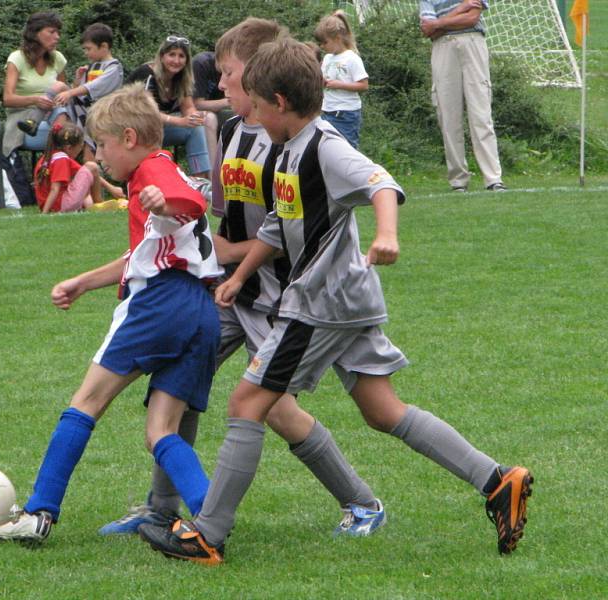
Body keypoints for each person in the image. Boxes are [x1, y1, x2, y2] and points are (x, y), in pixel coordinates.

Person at [138, 37, 532, 565]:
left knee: (247, 404)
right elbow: (282, 223)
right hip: (352, 298)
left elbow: (380, 183)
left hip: (319, 302)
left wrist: (387, 234)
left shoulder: (323, 144)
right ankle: (498, 479)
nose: (252, 113)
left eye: (257, 102)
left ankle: (207, 533)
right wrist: (241, 276)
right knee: (382, 410)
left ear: (279, 101)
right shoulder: (290, 148)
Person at [98, 17, 387, 540]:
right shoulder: (231, 129)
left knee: (271, 408)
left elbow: (284, 226)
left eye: (228, 73)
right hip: (228, 287)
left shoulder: (288, 140)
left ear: (258, 79)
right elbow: (225, 216)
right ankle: (161, 508)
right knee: (179, 379)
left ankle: (361, 501)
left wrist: (224, 253)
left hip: (275, 293)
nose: (220, 83)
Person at [0, 83, 223, 544]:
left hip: (160, 305)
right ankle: (209, 526)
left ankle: (39, 513)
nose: (100, 155)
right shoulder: (157, 170)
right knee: (160, 431)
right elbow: (144, 254)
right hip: (200, 311)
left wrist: (166, 201)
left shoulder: (152, 172)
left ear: (131, 138)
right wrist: (83, 282)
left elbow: (191, 201)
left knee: (86, 403)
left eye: (104, 145)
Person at [419, 0, 507, 192]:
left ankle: (493, 179)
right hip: (442, 47)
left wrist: (439, 23)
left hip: (473, 42)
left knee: (480, 114)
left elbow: (472, 18)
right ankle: (458, 180)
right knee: (448, 116)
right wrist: (459, 10)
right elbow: (427, 30)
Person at [22, 23, 124, 162]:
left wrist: (70, 92)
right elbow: (81, 90)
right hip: (84, 108)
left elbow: (94, 87)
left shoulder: (114, 68)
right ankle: (33, 121)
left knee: (89, 154)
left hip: (100, 112)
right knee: (59, 86)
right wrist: (76, 81)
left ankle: (76, 168)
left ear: (104, 46)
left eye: (89, 49)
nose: (86, 53)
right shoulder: (93, 66)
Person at [127, 36, 211, 179]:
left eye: (181, 56)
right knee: (153, 129)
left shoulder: (180, 78)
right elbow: (147, 112)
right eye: (172, 55)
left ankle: (200, 180)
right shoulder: (147, 74)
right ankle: (154, 180)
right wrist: (180, 121)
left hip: (158, 129)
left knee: (196, 128)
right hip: (133, 129)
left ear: (187, 60)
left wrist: (194, 117)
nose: (176, 61)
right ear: (162, 56)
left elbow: (188, 107)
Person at [2, 11, 72, 156]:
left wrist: (78, 81)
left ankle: (57, 164)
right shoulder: (17, 58)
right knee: (63, 121)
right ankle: (56, 164)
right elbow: (8, 99)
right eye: (52, 32)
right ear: (35, 33)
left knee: (61, 110)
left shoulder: (57, 58)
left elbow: (64, 96)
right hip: (23, 113)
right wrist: (35, 100)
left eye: (58, 32)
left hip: (52, 112)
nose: (57, 37)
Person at [314, 12, 369, 149]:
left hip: (346, 114)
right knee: (326, 148)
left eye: (325, 42)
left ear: (337, 38)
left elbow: (363, 85)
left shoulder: (352, 58)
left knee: (347, 149)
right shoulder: (327, 58)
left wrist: (340, 85)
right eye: (320, 43)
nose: (322, 46)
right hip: (327, 111)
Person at [33, 122, 100, 213]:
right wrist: (44, 213)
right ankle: (99, 203)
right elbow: (54, 189)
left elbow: (86, 173)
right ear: (69, 148)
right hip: (60, 205)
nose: (79, 152)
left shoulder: (50, 156)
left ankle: (91, 208)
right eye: (80, 148)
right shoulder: (61, 159)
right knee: (92, 166)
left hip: (53, 204)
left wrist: (112, 189)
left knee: (84, 177)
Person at [191, 50, 233, 168]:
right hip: (191, 112)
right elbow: (196, 104)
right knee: (211, 119)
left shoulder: (234, 67)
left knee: (238, 117)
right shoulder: (201, 64)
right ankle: (214, 173)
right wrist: (229, 101)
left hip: (218, 111)